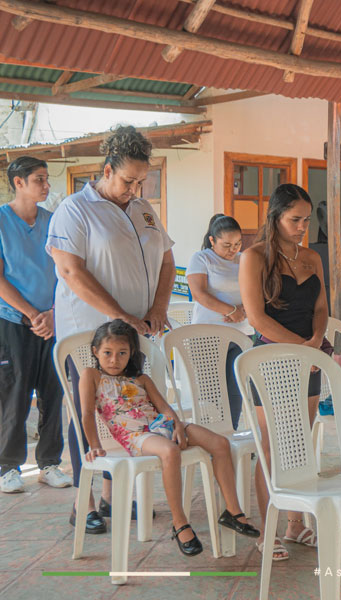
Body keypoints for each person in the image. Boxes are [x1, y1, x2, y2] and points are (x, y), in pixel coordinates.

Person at [47, 126, 175, 534]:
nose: (135, 189)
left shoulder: (143, 209)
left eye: (142, 182)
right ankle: (81, 501)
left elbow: (167, 259)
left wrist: (157, 307)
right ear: (106, 171)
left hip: (134, 334)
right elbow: (71, 271)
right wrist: (122, 316)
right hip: (90, 332)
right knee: (86, 409)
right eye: (128, 181)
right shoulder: (75, 209)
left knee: (125, 409)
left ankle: (110, 496)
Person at [79, 320, 259, 555]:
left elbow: (164, 408)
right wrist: (94, 445)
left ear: (131, 353)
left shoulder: (141, 379)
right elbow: (86, 414)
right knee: (170, 451)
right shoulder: (92, 375)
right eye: (107, 353)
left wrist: (177, 426)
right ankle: (180, 522)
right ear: (95, 352)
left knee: (220, 443)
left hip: (161, 425)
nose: (114, 360)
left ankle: (233, 512)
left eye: (122, 353)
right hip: (135, 435)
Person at [239, 183, 327, 560]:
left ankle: (294, 524)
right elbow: (256, 318)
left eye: (307, 220)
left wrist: (316, 342)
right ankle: (267, 530)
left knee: (298, 443)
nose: (302, 227)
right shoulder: (254, 256)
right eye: (295, 220)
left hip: (309, 358)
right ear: (275, 217)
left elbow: (321, 308)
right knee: (271, 446)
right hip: (271, 359)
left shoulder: (312, 257)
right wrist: (302, 348)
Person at [0, 157, 72, 493]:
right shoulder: (2, 221)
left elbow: (65, 272)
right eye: (39, 179)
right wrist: (32, 314)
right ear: (19, 183)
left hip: (53, 322)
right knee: (14, 395)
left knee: (53, 394)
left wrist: (54, 313)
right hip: (14, 321)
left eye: (46, 179)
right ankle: (8, 467)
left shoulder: (53, 221)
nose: (46, 185)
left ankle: (49, 464)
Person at [186, 214, 253, 429]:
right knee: (211, 392)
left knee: (235, 390)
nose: (233, 249)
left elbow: (257, 290)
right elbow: (199, 294)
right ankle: (212, 436)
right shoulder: (202, 258)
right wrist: (231, 311)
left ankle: (230, 434)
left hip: (241, 333)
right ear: (212, 240)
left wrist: (244, 311)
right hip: (208, 336)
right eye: (226, 245)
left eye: (237, 244)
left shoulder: (244, 259)